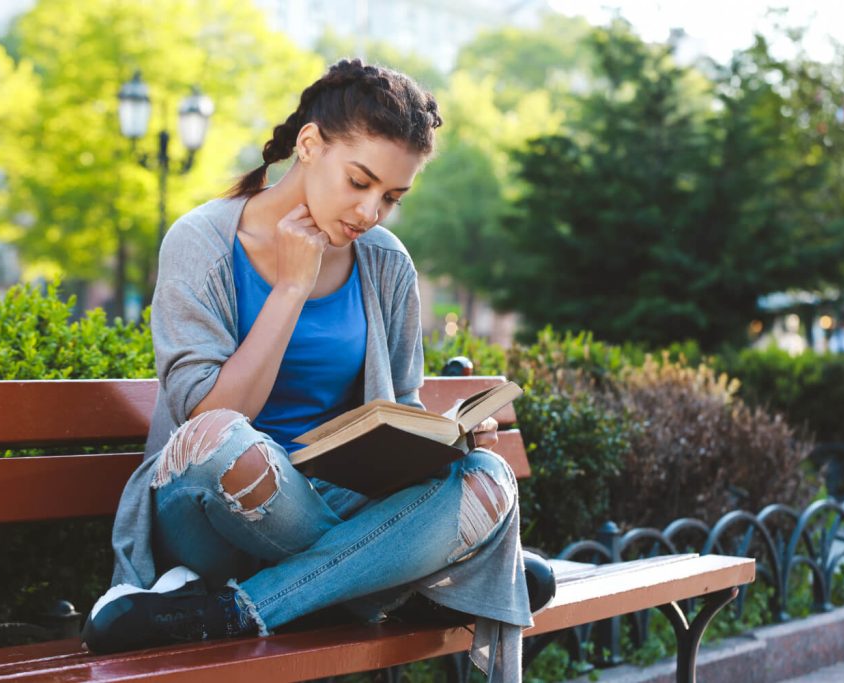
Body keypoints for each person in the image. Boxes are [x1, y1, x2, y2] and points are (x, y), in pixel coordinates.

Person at [81, 59, 535, 680]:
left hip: (335, 495)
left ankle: (242, 610)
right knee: (223, 442)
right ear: (309, 145)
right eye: (359, 182)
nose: (371, 211)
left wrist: (445, 441)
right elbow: (208, 417)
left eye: (391, 197)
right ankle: (393, 572)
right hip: (213, 505)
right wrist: (291, 289)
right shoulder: (201, 242)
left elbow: (396, 407)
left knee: (488, 477)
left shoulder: (385, 265)